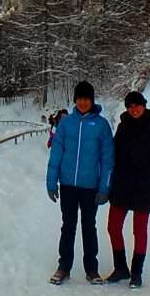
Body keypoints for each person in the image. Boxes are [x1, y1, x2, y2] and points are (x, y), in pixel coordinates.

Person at [46, 81, 114, 285]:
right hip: (67, 185)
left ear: (92, 100)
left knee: (88, 226)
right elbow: (56, 153)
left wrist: (104, 187)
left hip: (90, 186)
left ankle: (92, 270)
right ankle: (63, 267)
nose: (83, 102)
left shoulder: (101, 125)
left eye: (87, 98)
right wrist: (51, 181)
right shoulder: (66, 124)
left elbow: (108, 159)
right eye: (80, 98)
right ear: (75, 100)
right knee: (68, 226)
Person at [106, 91, 150, 289]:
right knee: (113, 227)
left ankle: (136, 272)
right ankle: (120, 267)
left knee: (139, 231)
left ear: (144, 105)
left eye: (137, 105)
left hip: (144, 187)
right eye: (130, 106)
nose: (134, 109)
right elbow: (113, 156)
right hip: (122, 185)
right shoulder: (122, 127)